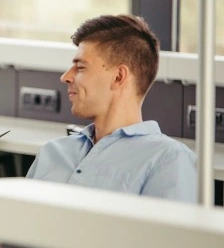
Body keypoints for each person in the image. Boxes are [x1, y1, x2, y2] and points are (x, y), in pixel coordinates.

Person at [26, 14, 197, 202]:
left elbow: (165, 232)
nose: (66, 76)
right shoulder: (53, 151)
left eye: (81, 67)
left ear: (118, 77)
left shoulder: (168, 160)